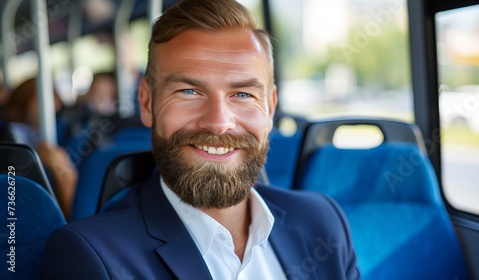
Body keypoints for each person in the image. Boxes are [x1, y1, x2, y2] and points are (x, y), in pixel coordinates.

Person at [41, 0, 360, 279]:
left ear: (270, 108)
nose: (219, 123)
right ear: (147, 104)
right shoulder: (92, 258)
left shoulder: (323, 222)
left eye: (243, 94)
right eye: (189, 92)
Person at [3, 78, 77, 219]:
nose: (54, 107)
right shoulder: (11, 143)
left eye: (55, 98)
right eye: (42, 99)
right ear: (22, 103)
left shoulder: (55, 139)